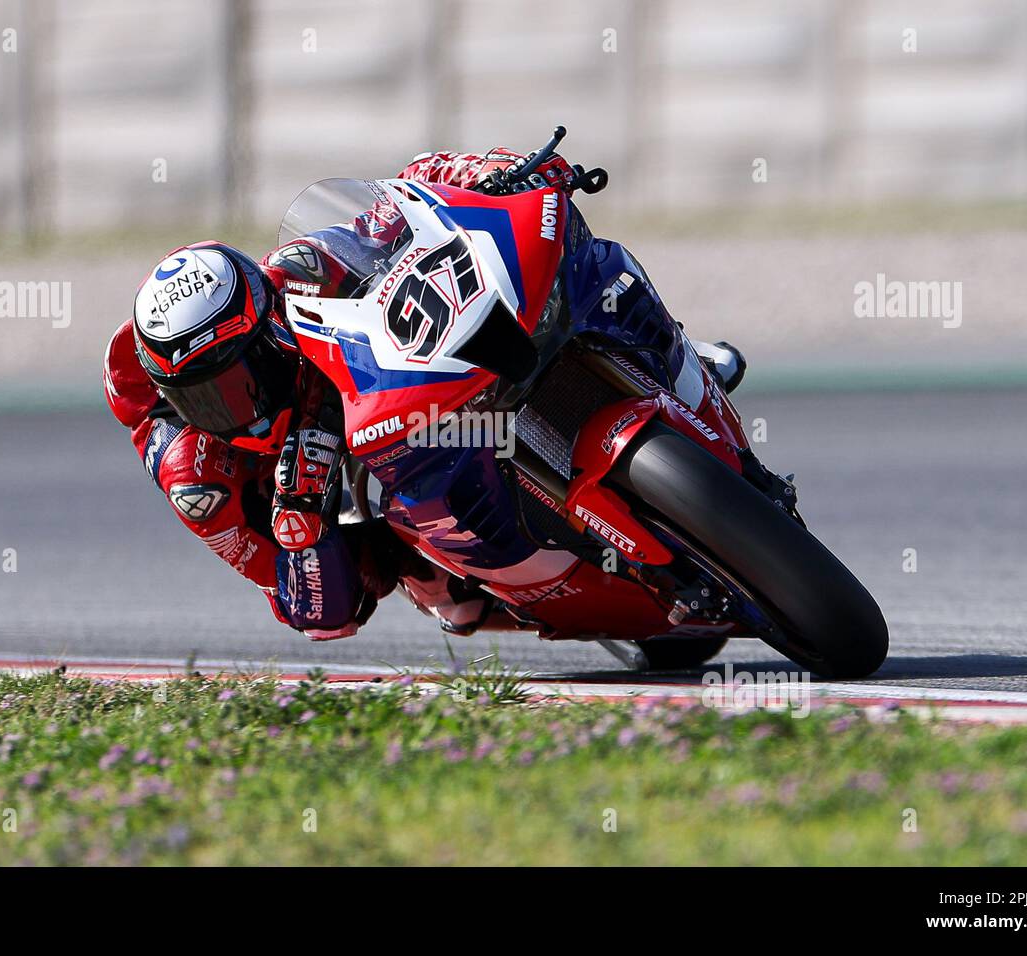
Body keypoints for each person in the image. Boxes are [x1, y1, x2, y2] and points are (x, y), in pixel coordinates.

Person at [102, 147, 746, 640]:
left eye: (240, 380)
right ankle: (508, 585)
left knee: (594, 267)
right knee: (440, 589)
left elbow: (402, 201)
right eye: (207, 398)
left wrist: (491, 173)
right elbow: (317, 615)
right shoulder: (195, 476)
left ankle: (680, 363)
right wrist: (302, 528)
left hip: (394, 393)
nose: (234, 409)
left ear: (268, 324)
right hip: (346, 499)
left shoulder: (292, 274)